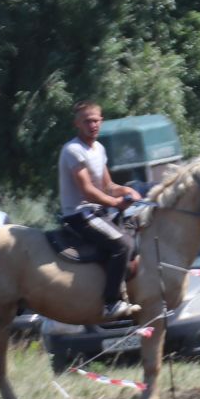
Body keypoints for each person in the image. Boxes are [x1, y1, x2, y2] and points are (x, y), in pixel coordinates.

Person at [58, 101, 141, 321]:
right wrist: (115, 204)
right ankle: (111, 302)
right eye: (87, 121)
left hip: (98, 213)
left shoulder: (99, 149)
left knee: (136, 230)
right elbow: (87, 191)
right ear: (77, 124)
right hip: (79, 214)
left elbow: (107, 186)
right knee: (123, 245)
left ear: (101, 121)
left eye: (96, 120)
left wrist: (127, 191)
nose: (92, 125)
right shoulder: (73, 150)